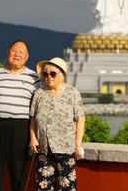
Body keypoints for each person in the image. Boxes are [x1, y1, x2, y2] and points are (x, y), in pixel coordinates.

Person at [0, 39, 41, 191]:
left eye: (21, 52)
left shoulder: (34, 78)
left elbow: (37, 110)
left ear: (27, 57)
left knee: (19, 175)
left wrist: (34, 136)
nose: (17, 54)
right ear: (8, 53)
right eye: (14, 50)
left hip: (20, 129)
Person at [29, 57, 85, 191]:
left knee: (66, 187)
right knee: (43, 187)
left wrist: (78, 144)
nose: (48, 77)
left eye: (52, 73)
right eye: (45, 74)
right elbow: (32, 119)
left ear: (62, 75)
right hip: (44, 150)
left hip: (66, 150)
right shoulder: (39, 94)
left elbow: (81, 119)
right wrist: (33, 138)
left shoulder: (72, 93)